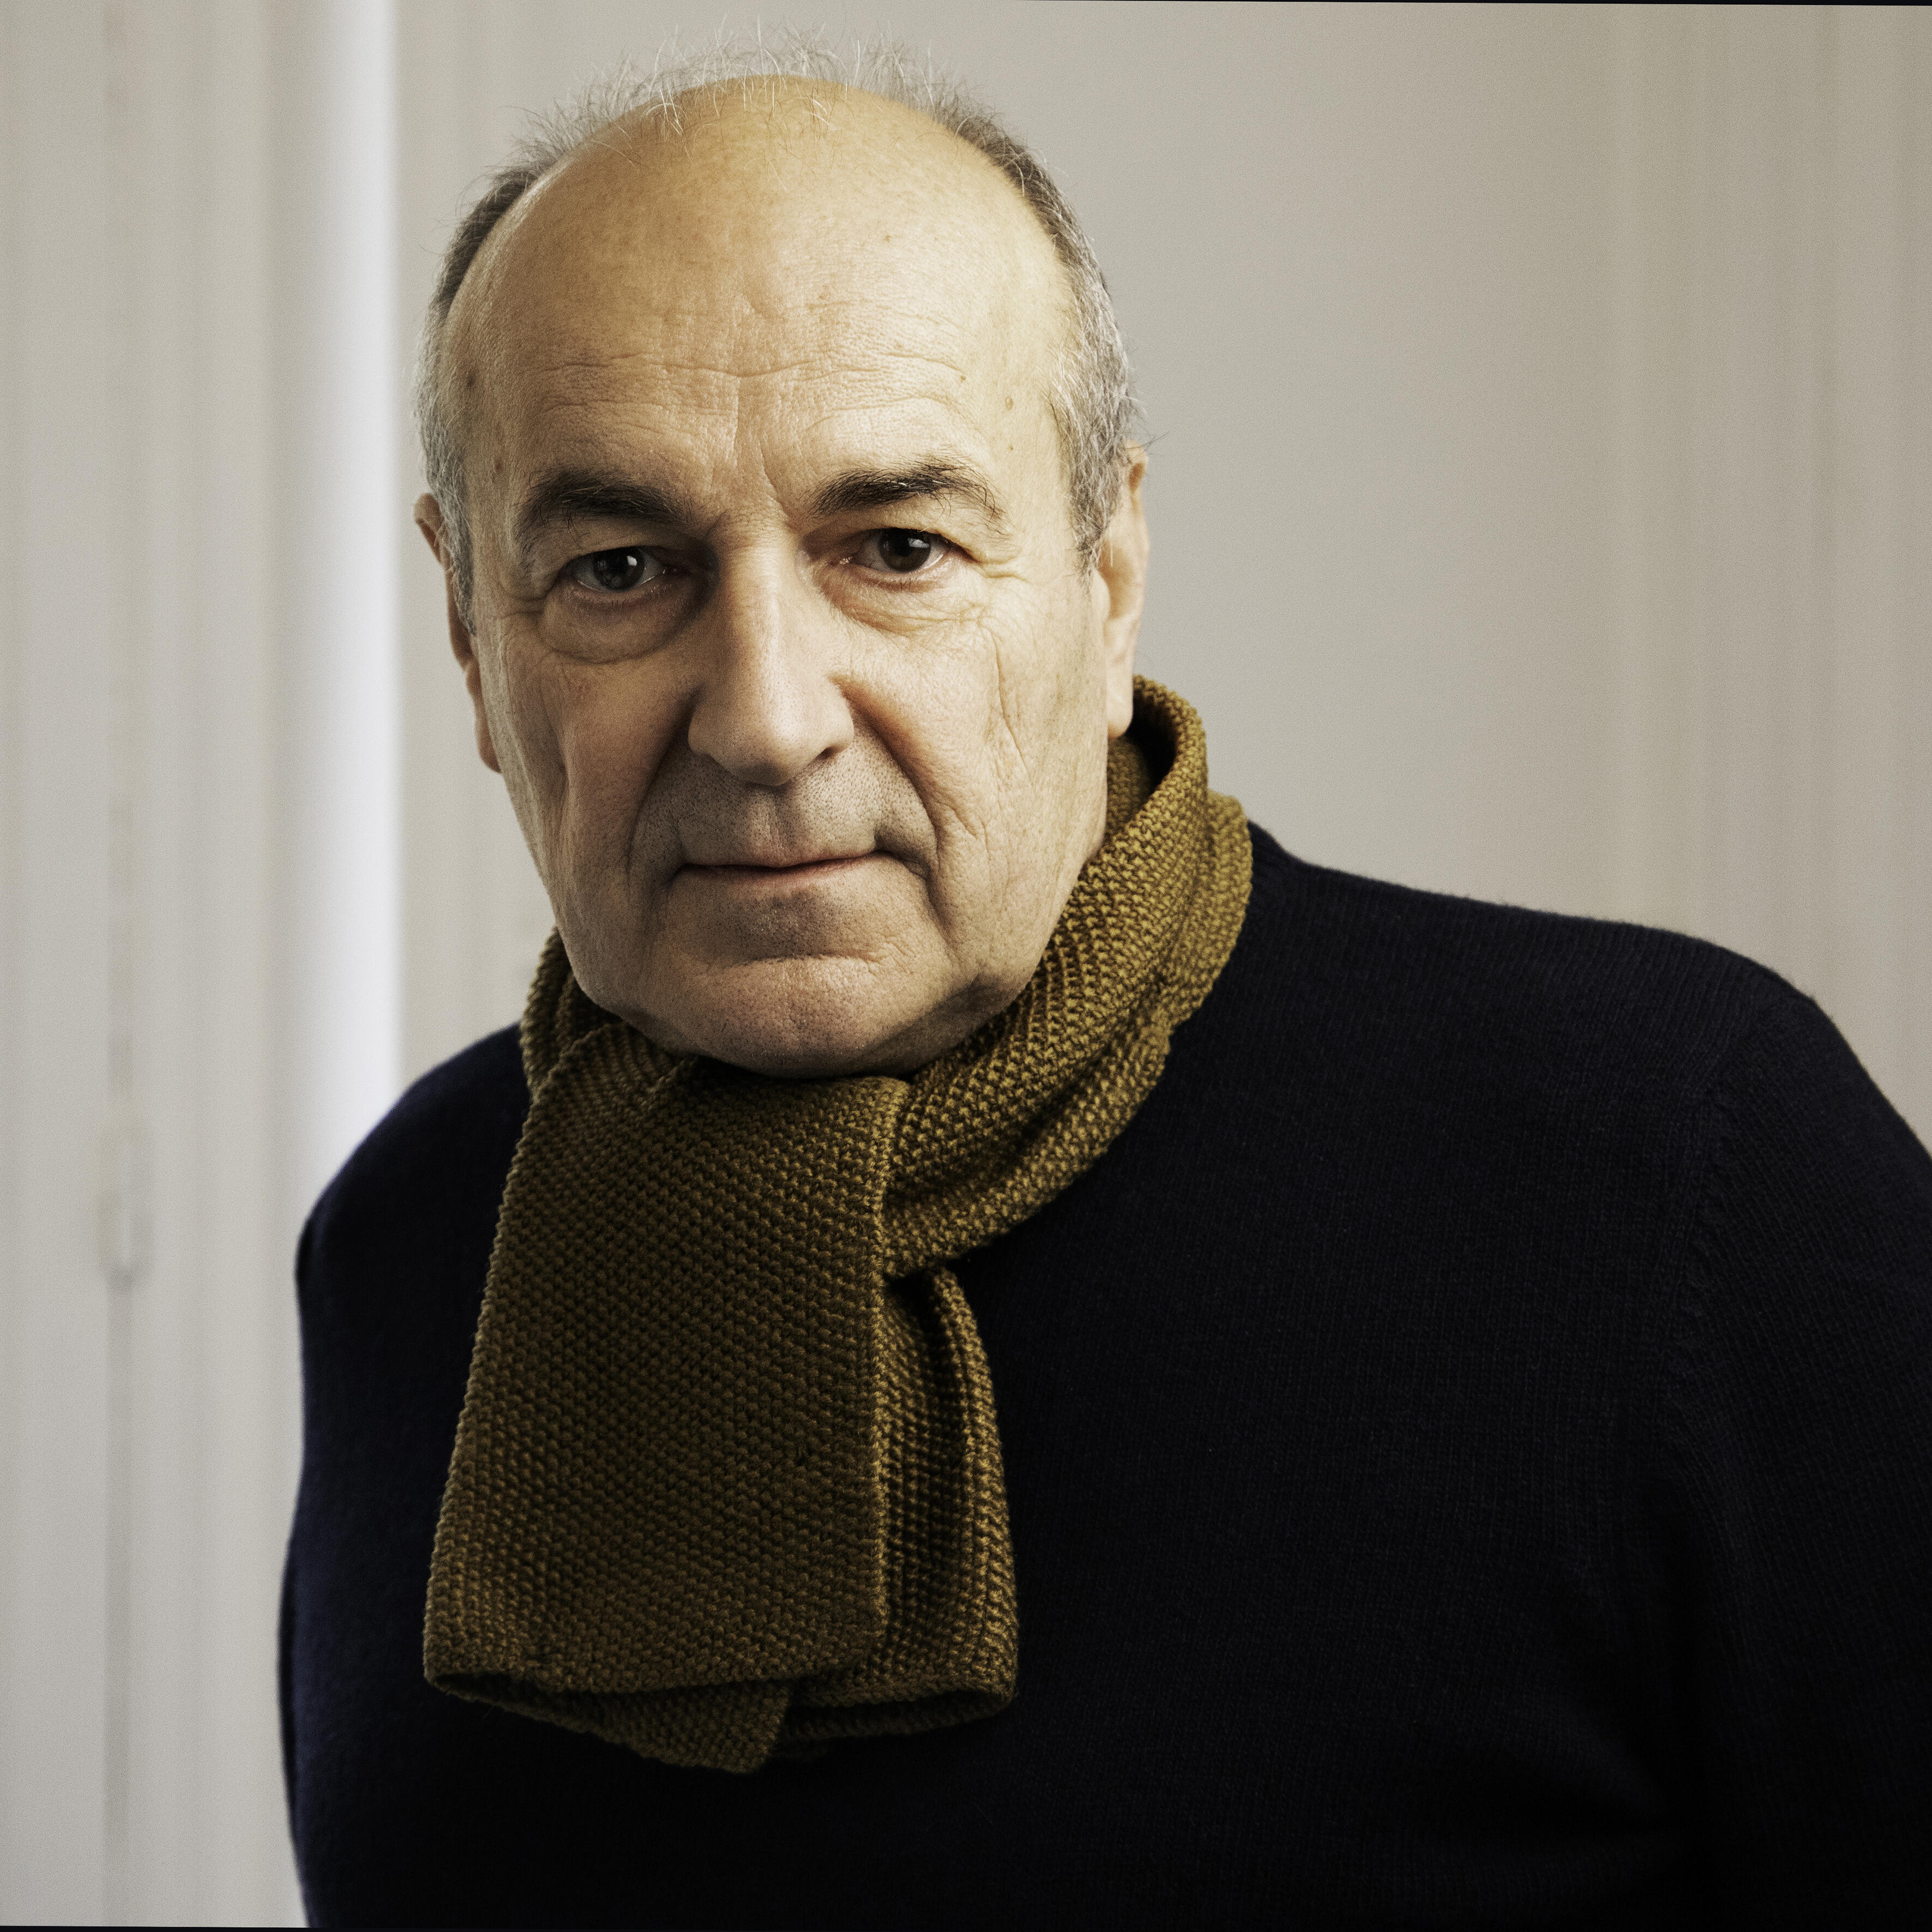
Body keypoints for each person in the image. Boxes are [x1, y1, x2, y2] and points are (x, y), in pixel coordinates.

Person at [280, 44, 1932, 1931]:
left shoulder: (1677, 1173)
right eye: (620, 567)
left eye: (897, 550)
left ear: (1109, 566)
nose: (764, 718)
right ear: (470, 634)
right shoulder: (416, 1238)